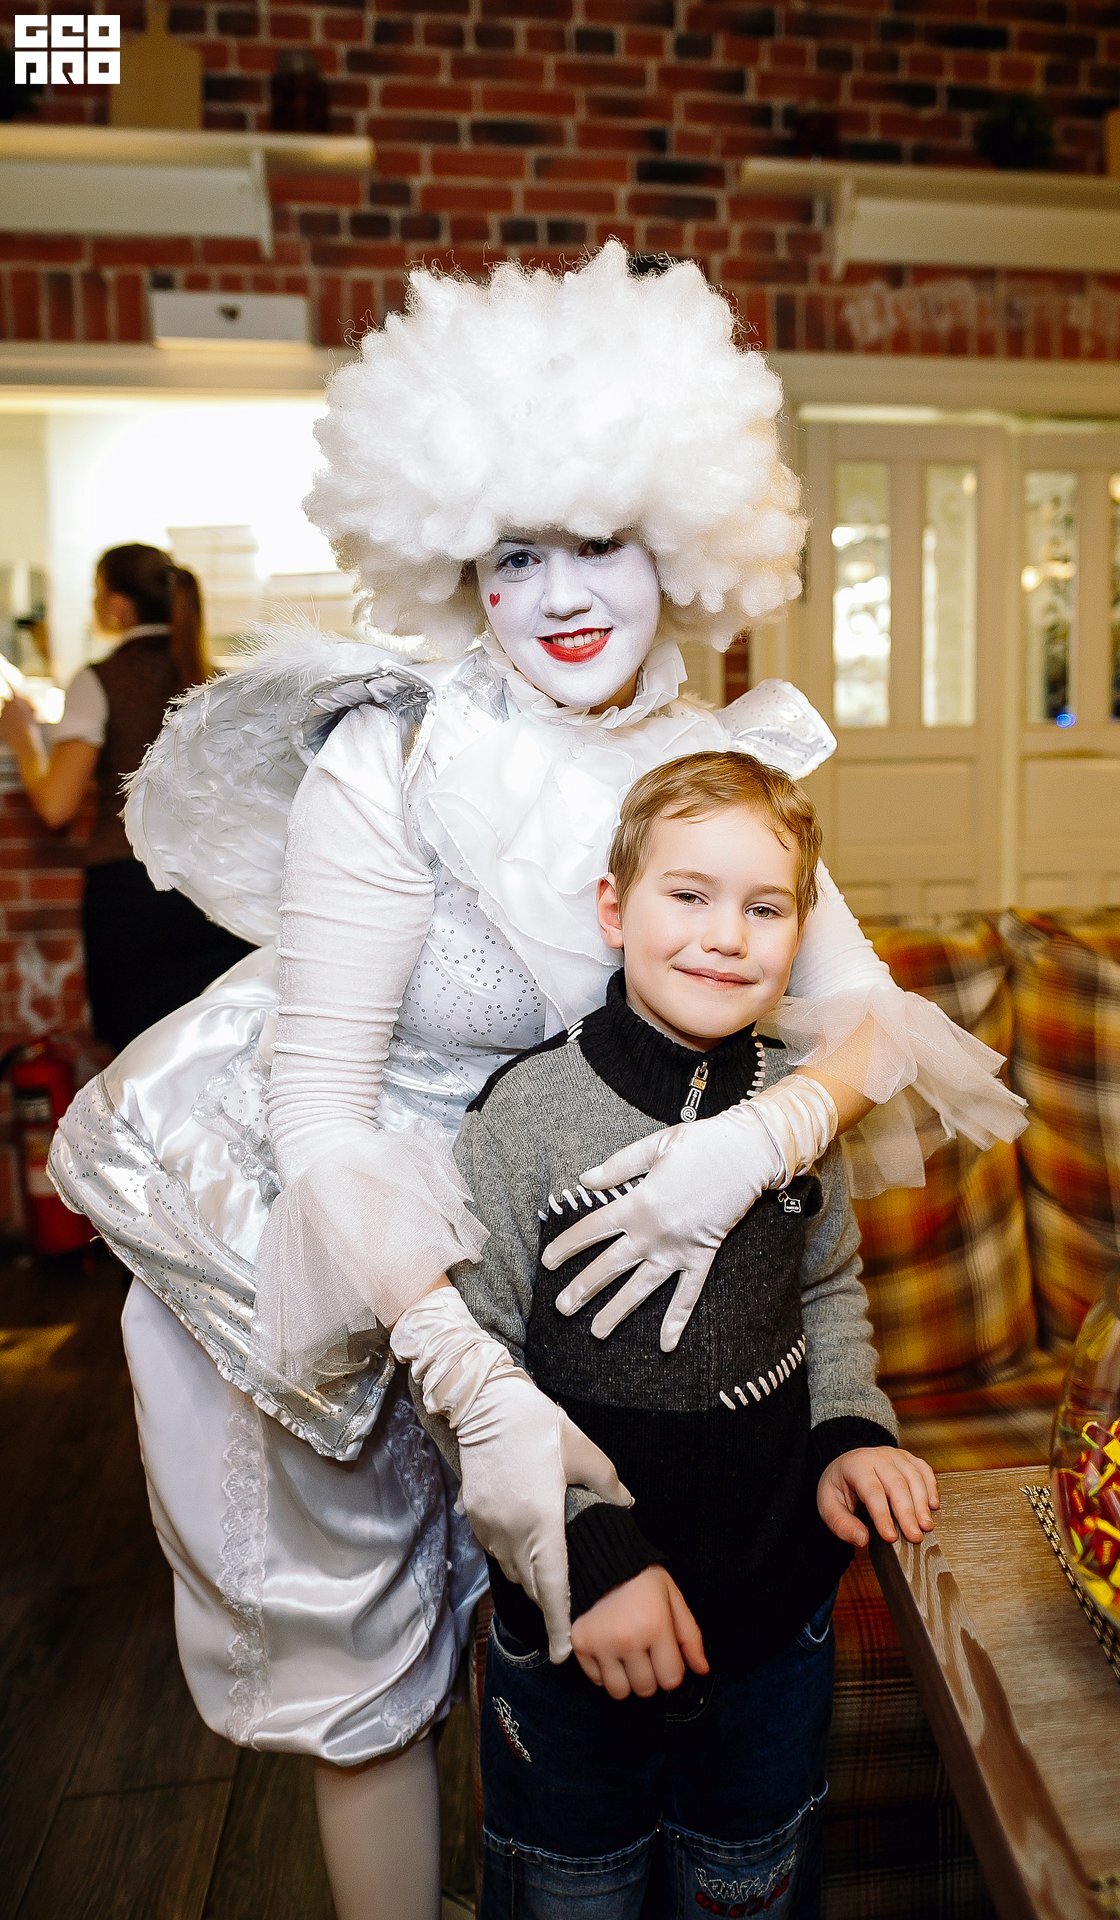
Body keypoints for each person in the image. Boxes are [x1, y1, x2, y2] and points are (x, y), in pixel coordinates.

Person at [47, 244, 1023, 1920]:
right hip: (338, 1227)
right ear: (459, 569)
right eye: (516, 555)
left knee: (555, 1638)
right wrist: (468, 1381)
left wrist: (763, 1141)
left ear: (683, 549)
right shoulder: (398, 752)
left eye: (603, 545)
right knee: (375, 1674)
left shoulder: (717, 767)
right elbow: (319, 1111)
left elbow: (878, 1024)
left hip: (574, 1208)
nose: (564, 595)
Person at [412, 749, 938, 1918]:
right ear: (614, 909)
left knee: (748, 1880)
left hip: (772, 1628)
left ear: (798, 932)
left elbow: (826, 1289)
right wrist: (587, 1557)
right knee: (572, 1890)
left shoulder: (802, 1105)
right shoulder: (525, 1117)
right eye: (687, 895)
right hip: (572, 1630)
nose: (723, 938)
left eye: (763, 909)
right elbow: (470, 1367)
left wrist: (850, 1431)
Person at [0, 544, 251, 1051]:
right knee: (217, 1056)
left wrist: (23, 736)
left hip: (133, 899)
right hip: (219, 895)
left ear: (117, 605)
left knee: (137, 1060)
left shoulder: (99, 680)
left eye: (96, 592)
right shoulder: (220, 683)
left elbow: (56, 806)